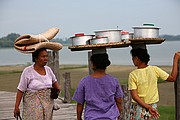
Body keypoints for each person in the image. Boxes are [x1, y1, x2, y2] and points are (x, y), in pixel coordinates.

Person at [128, 48, 180, 120]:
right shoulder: (154, 69)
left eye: (133, 58)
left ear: (136, 58)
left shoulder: (133, 75)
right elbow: (173, 78)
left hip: (139, 108)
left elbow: (135, 96)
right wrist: (176, 60)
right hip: (153, 107)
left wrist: (148, 107)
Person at [73, 53, 124, 120]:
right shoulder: (113, 81)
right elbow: (119, 101)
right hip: (110, 117)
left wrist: (79, 118)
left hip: (91, 117)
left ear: (93, 65)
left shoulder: (85, 81)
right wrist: (119, 116)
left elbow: (80, 103)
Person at [14, 48, 60, 120]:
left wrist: (54, 94)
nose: (46, 58)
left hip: (47, 105)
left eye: (46, 56)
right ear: (36, 58)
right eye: (43, 56)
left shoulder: (48, 70)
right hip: (32, 108)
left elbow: (57, 86)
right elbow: (21, 90)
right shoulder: (28, 71)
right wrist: (16, 107)